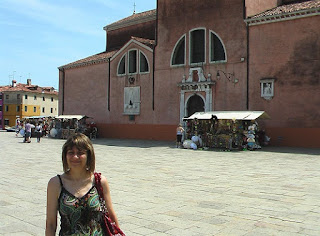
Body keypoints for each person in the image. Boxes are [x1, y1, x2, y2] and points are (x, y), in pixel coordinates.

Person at [45, 133, 121, 236]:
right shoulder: (56, 183)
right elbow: (50, 224)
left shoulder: (99, 181)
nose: (75, 157)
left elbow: (111, 216)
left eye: (80, 153)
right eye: (71, 152)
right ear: (65, 155)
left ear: (89, 155)